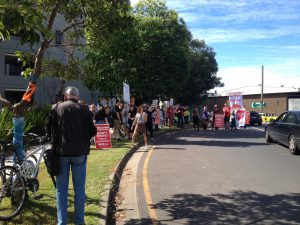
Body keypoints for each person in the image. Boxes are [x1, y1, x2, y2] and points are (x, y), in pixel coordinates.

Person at [47, 86, 97, 225]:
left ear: (65, 96)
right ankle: (79, 222)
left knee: (61, 191)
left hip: (61, 153)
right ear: (77, 97)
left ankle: (62, 222)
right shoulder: (84, 110)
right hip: (79, 153)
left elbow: (49, 129)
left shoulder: (56, 108)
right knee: (79, 190)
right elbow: (93, 131)